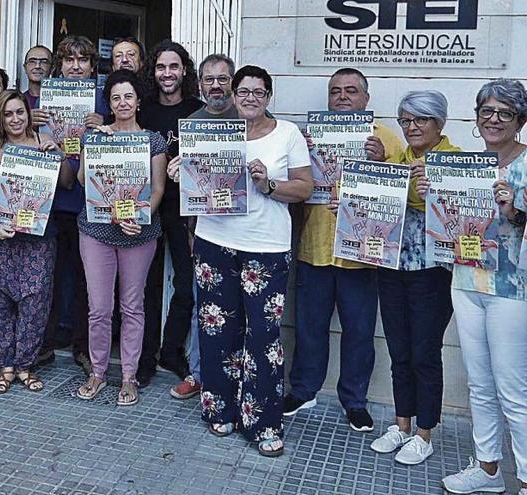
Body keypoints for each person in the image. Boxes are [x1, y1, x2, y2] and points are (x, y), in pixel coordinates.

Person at [169, 65, 312, 456]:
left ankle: (264, 422)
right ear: (232, 95)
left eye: (258, 92)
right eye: (243, 91)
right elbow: (195, 185)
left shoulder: (287, 134)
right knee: (216, 333)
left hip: (266, 247)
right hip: (215, 240)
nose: (250, 98)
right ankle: (221, 409)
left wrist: (269, 183)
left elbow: (304, 188)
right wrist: (180, 171)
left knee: (264, 337)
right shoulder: (213, 134)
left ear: (269, 96)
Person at [284, 68, 404, 432]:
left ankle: (354, 401)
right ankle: (303, 390)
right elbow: (292, 185)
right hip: (315, 247)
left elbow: (402, 198)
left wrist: (382, 163)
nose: (342, 97)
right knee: (308, 328)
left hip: (361, 256)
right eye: (335, 91)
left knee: (359, 332)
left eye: (351, 91)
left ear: (366, 99)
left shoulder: (385, 139)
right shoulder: (307, 136)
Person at [439, 79, 527, 495]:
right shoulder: (467, 164)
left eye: (504, 113)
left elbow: (515, 222)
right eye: (486, 112)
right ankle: (488, 470)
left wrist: (515, 210)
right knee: (479, 383)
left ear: (519, 121)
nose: (493, 120)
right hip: (466, 279)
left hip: (513, 289)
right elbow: (449, 224)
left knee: (513, 389)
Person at [368, 90, 459, 465]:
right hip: (393, 268)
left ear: (439, 123)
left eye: (420, 119)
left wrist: (435, 192)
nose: (412, 127)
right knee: (399, 350)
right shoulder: (396, 161)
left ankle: (425, 432)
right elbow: (375, 209)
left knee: (425, 352)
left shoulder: (459, 163)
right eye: (406, 120)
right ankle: (401, 424)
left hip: (434, 273)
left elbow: (467, 216)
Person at [75, 69, 168, 406]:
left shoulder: (154, 141)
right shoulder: (95, 137)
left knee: (133, 307)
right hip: (97, 230)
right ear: (109, 104)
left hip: (138, 234)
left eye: (128, 96)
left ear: (138, 101)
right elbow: (85, 181)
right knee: (99, 308)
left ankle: (128, 376)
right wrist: (95, 144)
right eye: (116, 98)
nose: (123, 102)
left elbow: (158, 189)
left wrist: (139, 219)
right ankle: (97, 372)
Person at [0, 90, 73, 393]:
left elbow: (68, 182)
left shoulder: (42, 145)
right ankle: (5, 366)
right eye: (8, 114)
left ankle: (25, 365)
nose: (15, 119)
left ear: (28, 115)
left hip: (38, 240)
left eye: (20, 112)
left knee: (35, 303)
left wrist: (57, 153)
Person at [168, 52, 239, 399]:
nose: (215, 85)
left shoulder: (252, 119)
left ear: (233, 83)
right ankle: (198, 374)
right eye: (209, 79)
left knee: (242, 310)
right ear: (200, 84)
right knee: (203, 308)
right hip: (207, 231)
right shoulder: (192, 123)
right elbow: (193, 186)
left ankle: (239, 378)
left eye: (222, 79)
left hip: (246, 232)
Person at [137, 41, 204, 388]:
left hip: (185, 210)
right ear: (153, 72)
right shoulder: (142, 110)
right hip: (144, 207)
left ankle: (172, 350)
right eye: (161, 67)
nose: (167, 74)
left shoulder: (199, 110)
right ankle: (144, 358)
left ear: (184, 71)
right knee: (144, 286)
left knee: (186, 283)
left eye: (173, 67)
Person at [35, 36, 103, 372]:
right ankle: (44, 341)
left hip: (89, 204)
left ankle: (82, 346)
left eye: (83, 60)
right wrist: (33, 125)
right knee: (45, 275)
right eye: (69, 60)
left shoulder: (103, 100)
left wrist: (103, 128)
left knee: (84, 279)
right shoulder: (42, 102)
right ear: (59, 66)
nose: (76, 66)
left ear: (92, 66)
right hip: (48, 202)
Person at [22, 45, 52, 112]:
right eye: (32, 61)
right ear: (25, 68)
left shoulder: (60, 100)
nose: (37, 66)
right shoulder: (17, 101)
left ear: (52, 68)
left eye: (44, 62)